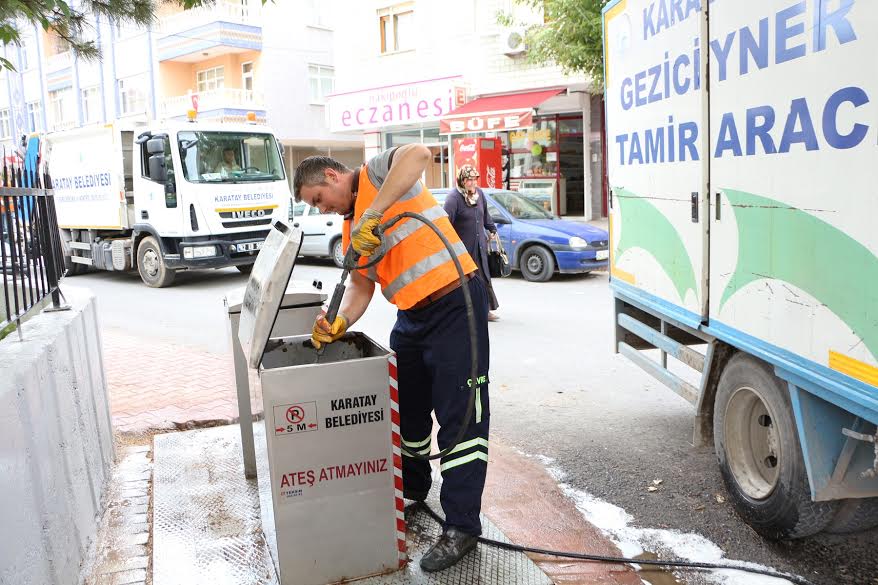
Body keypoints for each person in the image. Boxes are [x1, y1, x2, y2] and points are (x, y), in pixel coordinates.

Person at [294, 145, 491, 573]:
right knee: (409, 415)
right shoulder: (350, 232)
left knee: (462, 419)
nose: (322, 209)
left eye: (317, 200)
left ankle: (461, 526)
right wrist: (339, 322)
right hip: (413, 316)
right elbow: (361, 289)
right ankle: (415, 491)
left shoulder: (377, 173)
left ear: (330, 175)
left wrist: (373, 214)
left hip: (457, 301)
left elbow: (420, 154)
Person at [444, 165, 500, 321]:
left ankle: (486, 309)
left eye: (475, 179)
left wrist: (492, 229)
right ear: (462, 181)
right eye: (469, 180)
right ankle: (466, 312)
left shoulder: (480, 194)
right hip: (463, 248)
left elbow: (485, 216)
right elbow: (445, 224)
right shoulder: (453, 198)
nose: (472, 183)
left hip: (480, 245)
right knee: (467, 281)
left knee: (483, 278)